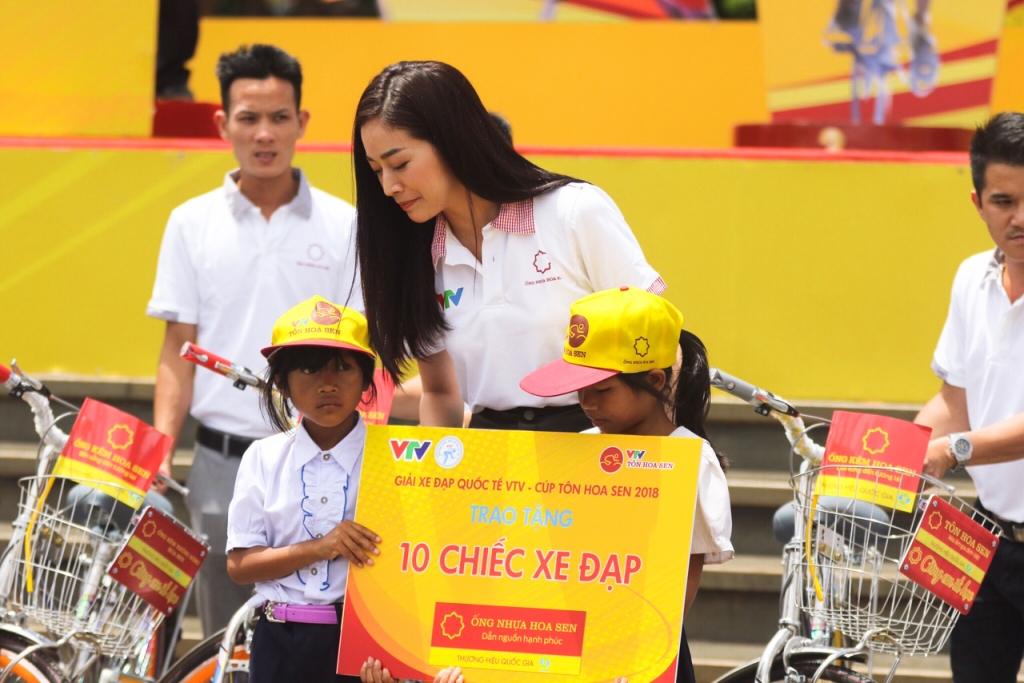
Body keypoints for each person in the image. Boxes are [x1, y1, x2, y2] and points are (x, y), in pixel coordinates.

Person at [147, 43, 360, 636]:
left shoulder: (346, 224)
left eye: (279, 117)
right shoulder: (190, 223)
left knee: (323, 631)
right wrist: (162, 447)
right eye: (248, 117)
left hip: (325, 456)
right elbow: (177, 347)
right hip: (222, 460)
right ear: (223, 124)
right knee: (227, 636)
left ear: (302, 122)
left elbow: (362, 350)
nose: (264, 133)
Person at [353, 61, 665, 433]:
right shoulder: (415, 253)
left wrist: (666, 453)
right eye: (377, 171)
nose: (388, 187)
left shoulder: (573, 212)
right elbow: (439, 394)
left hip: (595, 442)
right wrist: (435, 466)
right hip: (487, 450)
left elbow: (659, 347)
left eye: (399, 164)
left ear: (452, 140)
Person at [519, 286, 734, 683]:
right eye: (579, 388)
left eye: (602, 389)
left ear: (654, 380)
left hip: (642, 652)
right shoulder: (580, 448)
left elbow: (684, 577)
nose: (587, 402)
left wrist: (640, 658)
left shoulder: (688, 459)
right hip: (571, 643)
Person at [914, 112, 1024, 683]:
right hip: (986, 537)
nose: (1021, 218)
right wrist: (887, 454)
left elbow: (957, 437)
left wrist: (952, 450)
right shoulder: (970, 278)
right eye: (1004, 201)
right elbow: (954, 402)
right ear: (978, 203)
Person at [226, 295, 380, 682]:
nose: (328, 384)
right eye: (309, 369)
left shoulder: (393, 461)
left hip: (362, 646)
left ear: (366, 378)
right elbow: (239, 566)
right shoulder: (262, 457)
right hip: (278, 642)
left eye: (343, 367)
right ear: (282, 382)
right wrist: (319, 547)